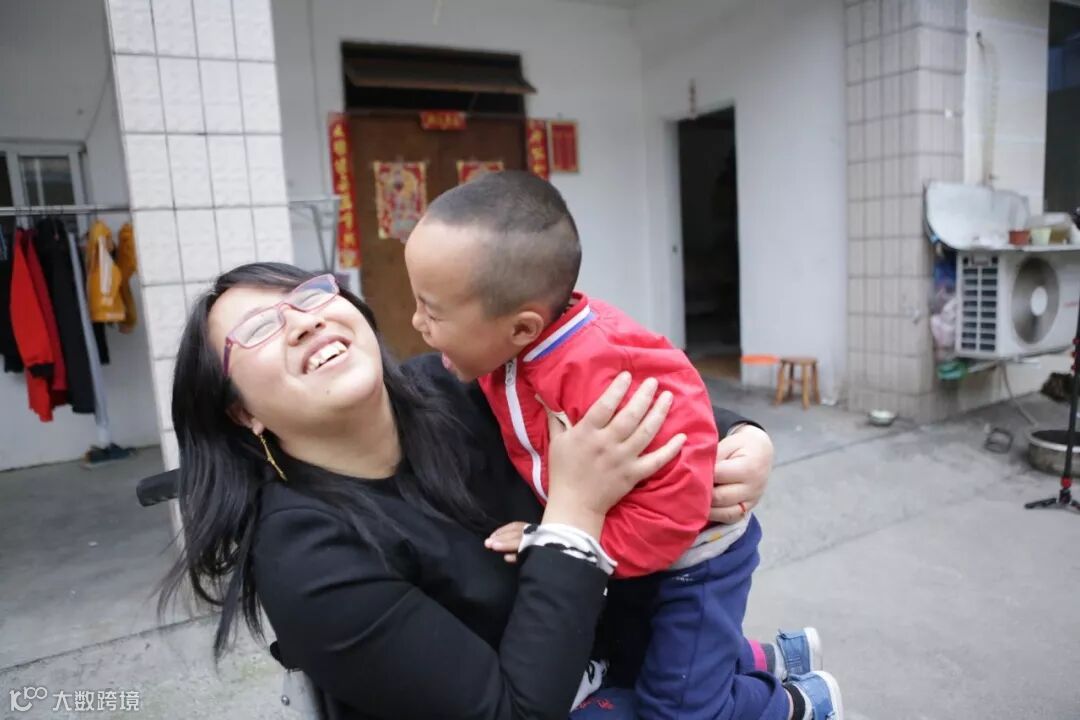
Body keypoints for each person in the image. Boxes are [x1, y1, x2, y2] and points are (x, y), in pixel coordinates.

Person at [159, 262, 777, 720]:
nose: (302, 321)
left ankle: (756, 672)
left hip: (613, 656)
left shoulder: (451, 382)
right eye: (259, 328)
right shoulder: (304, 557)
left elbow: (602, 383)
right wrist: (576, 510)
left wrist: (738, 436)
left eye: (310, 295)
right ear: (243, 413)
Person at [404, 171, 842, 720]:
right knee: (652, 654)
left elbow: (676, 504)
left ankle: (804, 701)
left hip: (695, 549)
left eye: (432, 312)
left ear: (521, 328)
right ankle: (777, 657)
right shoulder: (509, 355)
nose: (416, 324)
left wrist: (558, 540)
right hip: (632, 547)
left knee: (679, 709)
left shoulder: (597, 373)